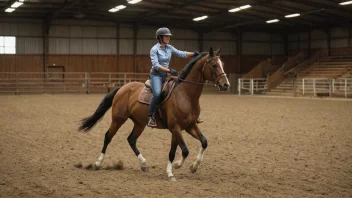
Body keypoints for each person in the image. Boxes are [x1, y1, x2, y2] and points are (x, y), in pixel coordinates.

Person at [147, 27, 199, 127]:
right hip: (156, 75)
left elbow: (181, 53)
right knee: (157, 93)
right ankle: (151, 117)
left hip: (166, 74)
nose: (168, 38)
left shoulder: (169, 47)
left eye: (169, 36)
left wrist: (193, 54)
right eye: (166, 36)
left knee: (180, 89)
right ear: (160, 37)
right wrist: (169, 70)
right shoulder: (154, 49)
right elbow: (156, 65)